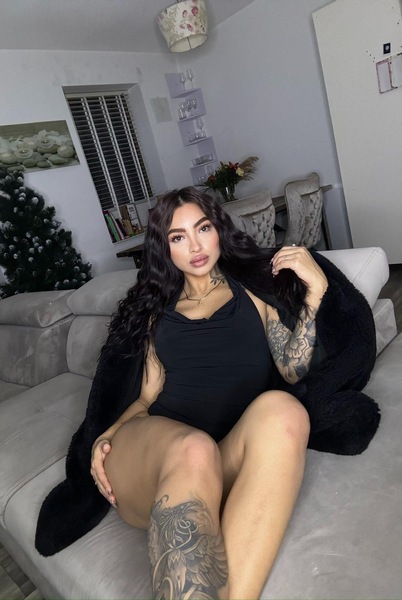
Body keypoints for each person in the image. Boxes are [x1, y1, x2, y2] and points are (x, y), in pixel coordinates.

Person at [90, 186, 328, 600]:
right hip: (151, 458)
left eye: (202, 229)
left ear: (218, 229)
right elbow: (146, 398)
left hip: (220, 457)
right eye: (178, 237)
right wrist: (107, 434)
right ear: (165, 248)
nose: (195, 246)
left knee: (285, 410)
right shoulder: (155, 311)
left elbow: (293, 369)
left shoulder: (253, 293)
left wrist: (315, 294)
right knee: (194, 449)